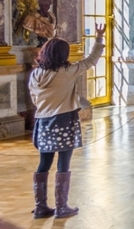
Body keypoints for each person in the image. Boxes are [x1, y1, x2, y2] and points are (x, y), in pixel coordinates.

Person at [28, 23, 105, 219]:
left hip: (42, 122)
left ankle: (40, 207)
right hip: (63, 120)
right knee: (64, 162)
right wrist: (98, 38)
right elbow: (91, 61)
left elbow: (34, 99)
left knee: (43, 163)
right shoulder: (67, 71)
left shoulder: (35, 74)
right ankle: (61, 207)